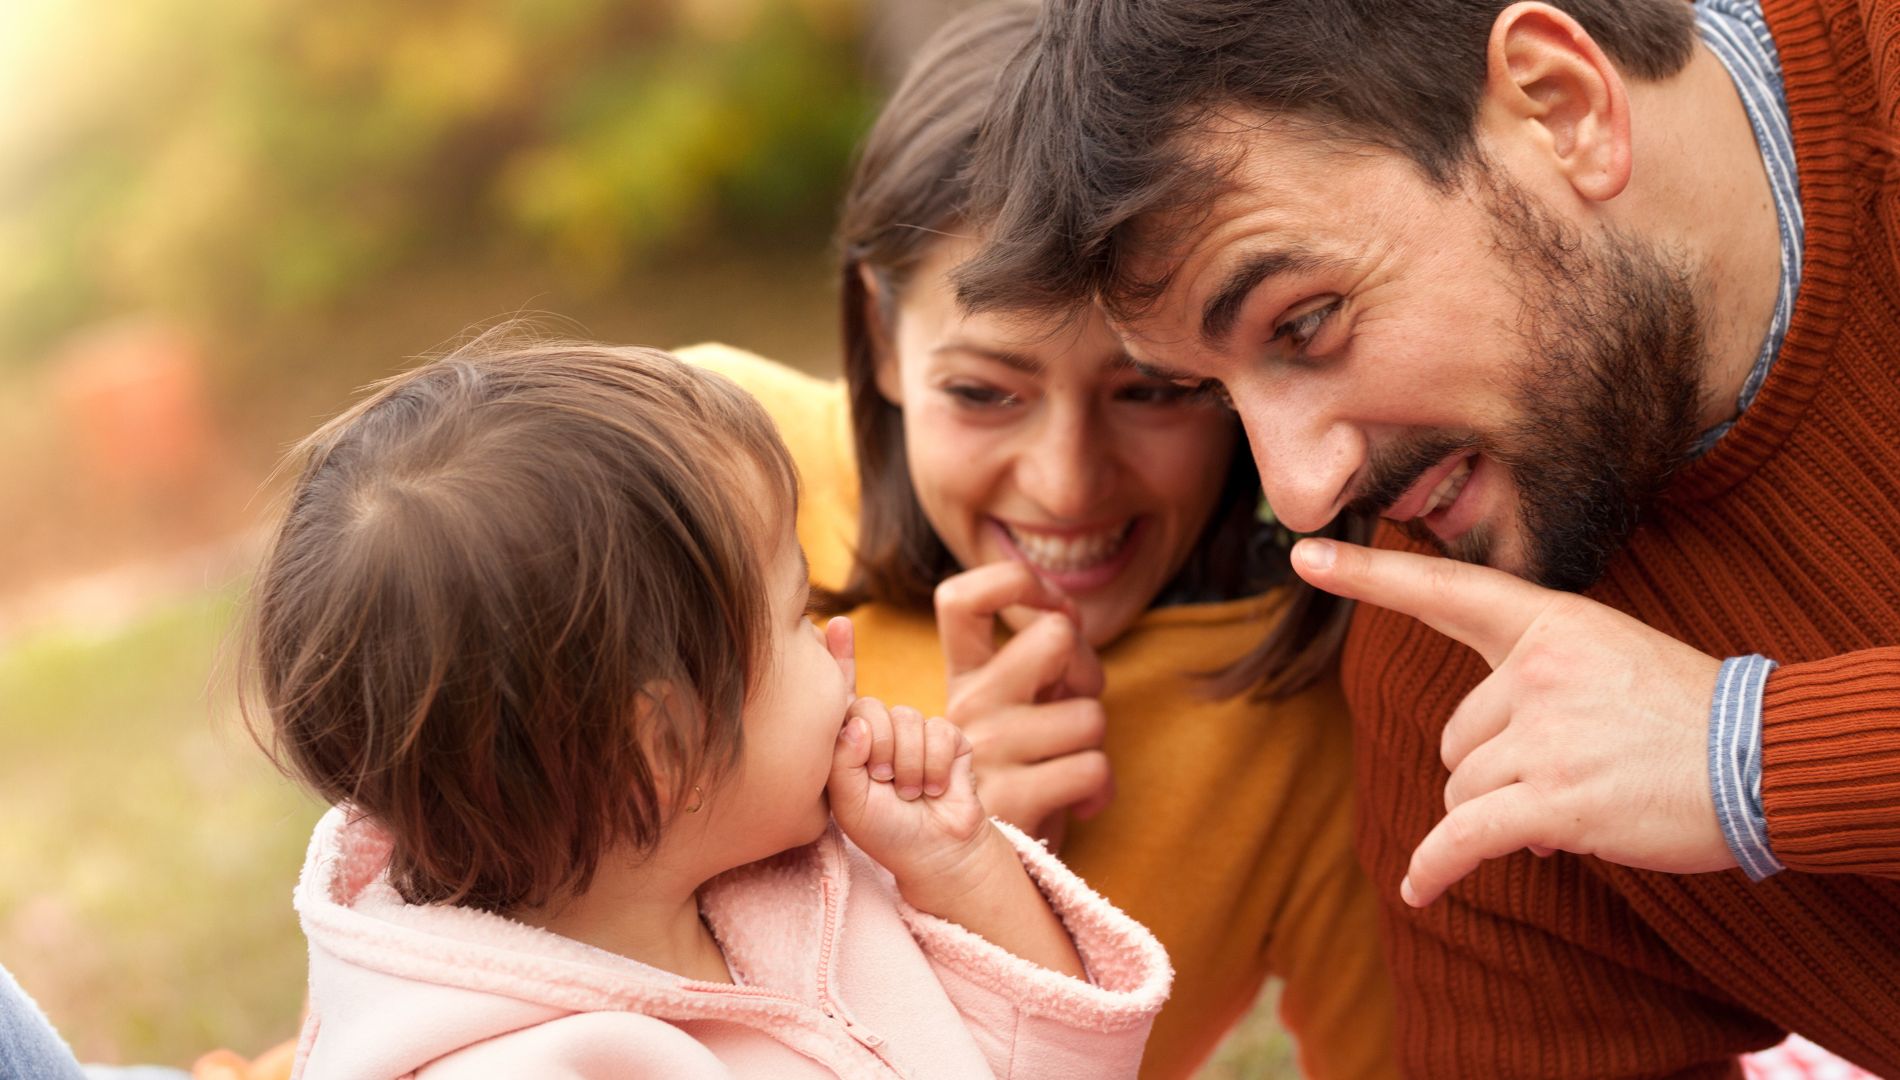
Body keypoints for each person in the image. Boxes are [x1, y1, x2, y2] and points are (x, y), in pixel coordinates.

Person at [955, 0, 1900, 1074]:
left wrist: (1750, 754)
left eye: (1306, 323)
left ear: (1561, 105)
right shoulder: (1463, 663)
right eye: (1214, 395)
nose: (1302, 492)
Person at [685, 3, 1397, 1076]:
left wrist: (998, 903)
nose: (1065, 483)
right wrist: (924, 878)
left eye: (1151, 393)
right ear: (880, 338)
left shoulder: (1313, 719)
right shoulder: (697, 472)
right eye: (983, 391)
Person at [239, 338, 1170, 1078]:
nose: (841, 637)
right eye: (799, 616)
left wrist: (963, 870)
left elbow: (1069, 1062)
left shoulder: (809, 876)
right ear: (663, 750)